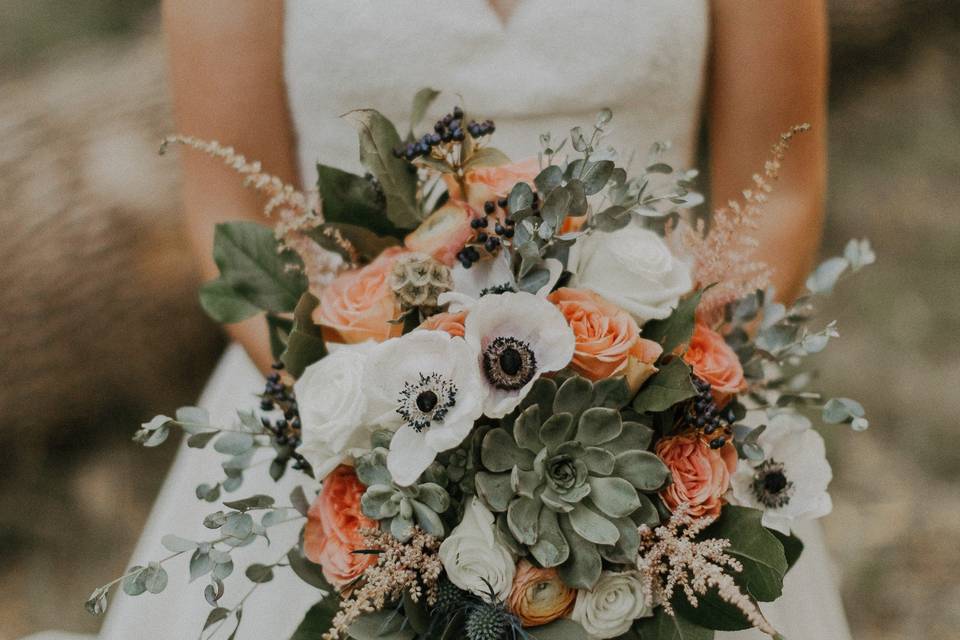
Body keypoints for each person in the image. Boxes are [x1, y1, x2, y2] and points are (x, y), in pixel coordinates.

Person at [28, 2, 850, 638]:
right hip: (335, 412)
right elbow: (230, 208)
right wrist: (380, 419)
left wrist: (661, 404)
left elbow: (779, 191)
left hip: (673, 421)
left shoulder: (669, 410)